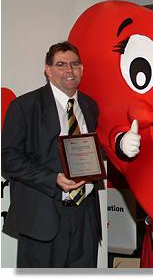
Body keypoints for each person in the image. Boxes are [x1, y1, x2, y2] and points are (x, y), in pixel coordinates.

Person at [2, 41, 102, 267]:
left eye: (75, 64)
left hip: (85, 216)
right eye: (61, 64)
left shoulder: (90, 106)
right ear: (47, 70)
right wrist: (52, 179)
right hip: (43, 217)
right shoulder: (25, 106)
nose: (69, 70)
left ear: (82, 69)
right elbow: (9, 159)